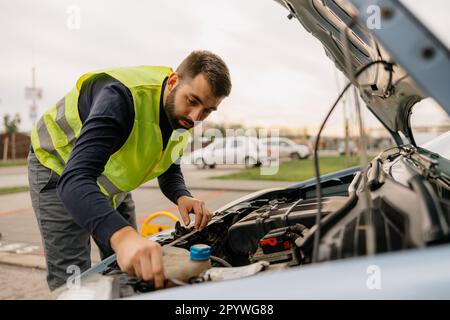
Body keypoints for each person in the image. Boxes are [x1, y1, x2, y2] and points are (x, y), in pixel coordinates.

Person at [27, 50, 232, 290]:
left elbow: (168, 164)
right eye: (193, 101)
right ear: (174, 81)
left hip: (108, 183)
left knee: (132, 262)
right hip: (58, 170)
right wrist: (123, 238)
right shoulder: (120, 98)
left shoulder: (180, 114)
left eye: (207, 110)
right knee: (74, 281)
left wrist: (181, 194)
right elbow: (75, 180)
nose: (197, 116)